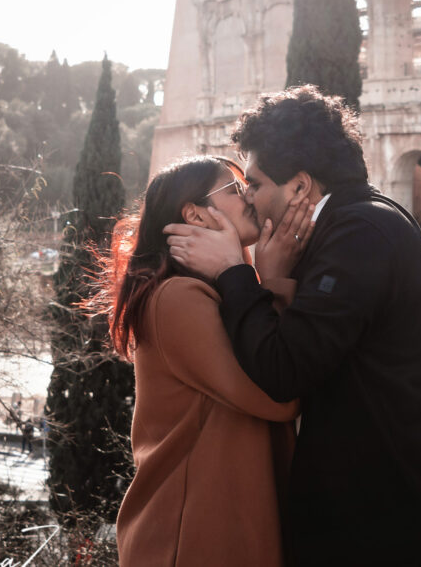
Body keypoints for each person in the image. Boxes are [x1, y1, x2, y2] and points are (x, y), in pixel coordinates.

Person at [165, 86, 421, 566]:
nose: (249, 199)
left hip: (400, 528)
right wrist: (272, 276)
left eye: (254, 184)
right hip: (388, 518)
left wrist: (234, 272)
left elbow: (284, 370)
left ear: (300, 186)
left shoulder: (360, 234)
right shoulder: (356, 223)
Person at [94, 156, 311, 566]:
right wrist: (277, 279)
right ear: (195, 213)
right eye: (232, 189)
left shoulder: (206, 294)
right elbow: (279, 395)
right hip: (187, 539)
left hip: (214, 531)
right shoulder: (177, 299)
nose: (248, 194)